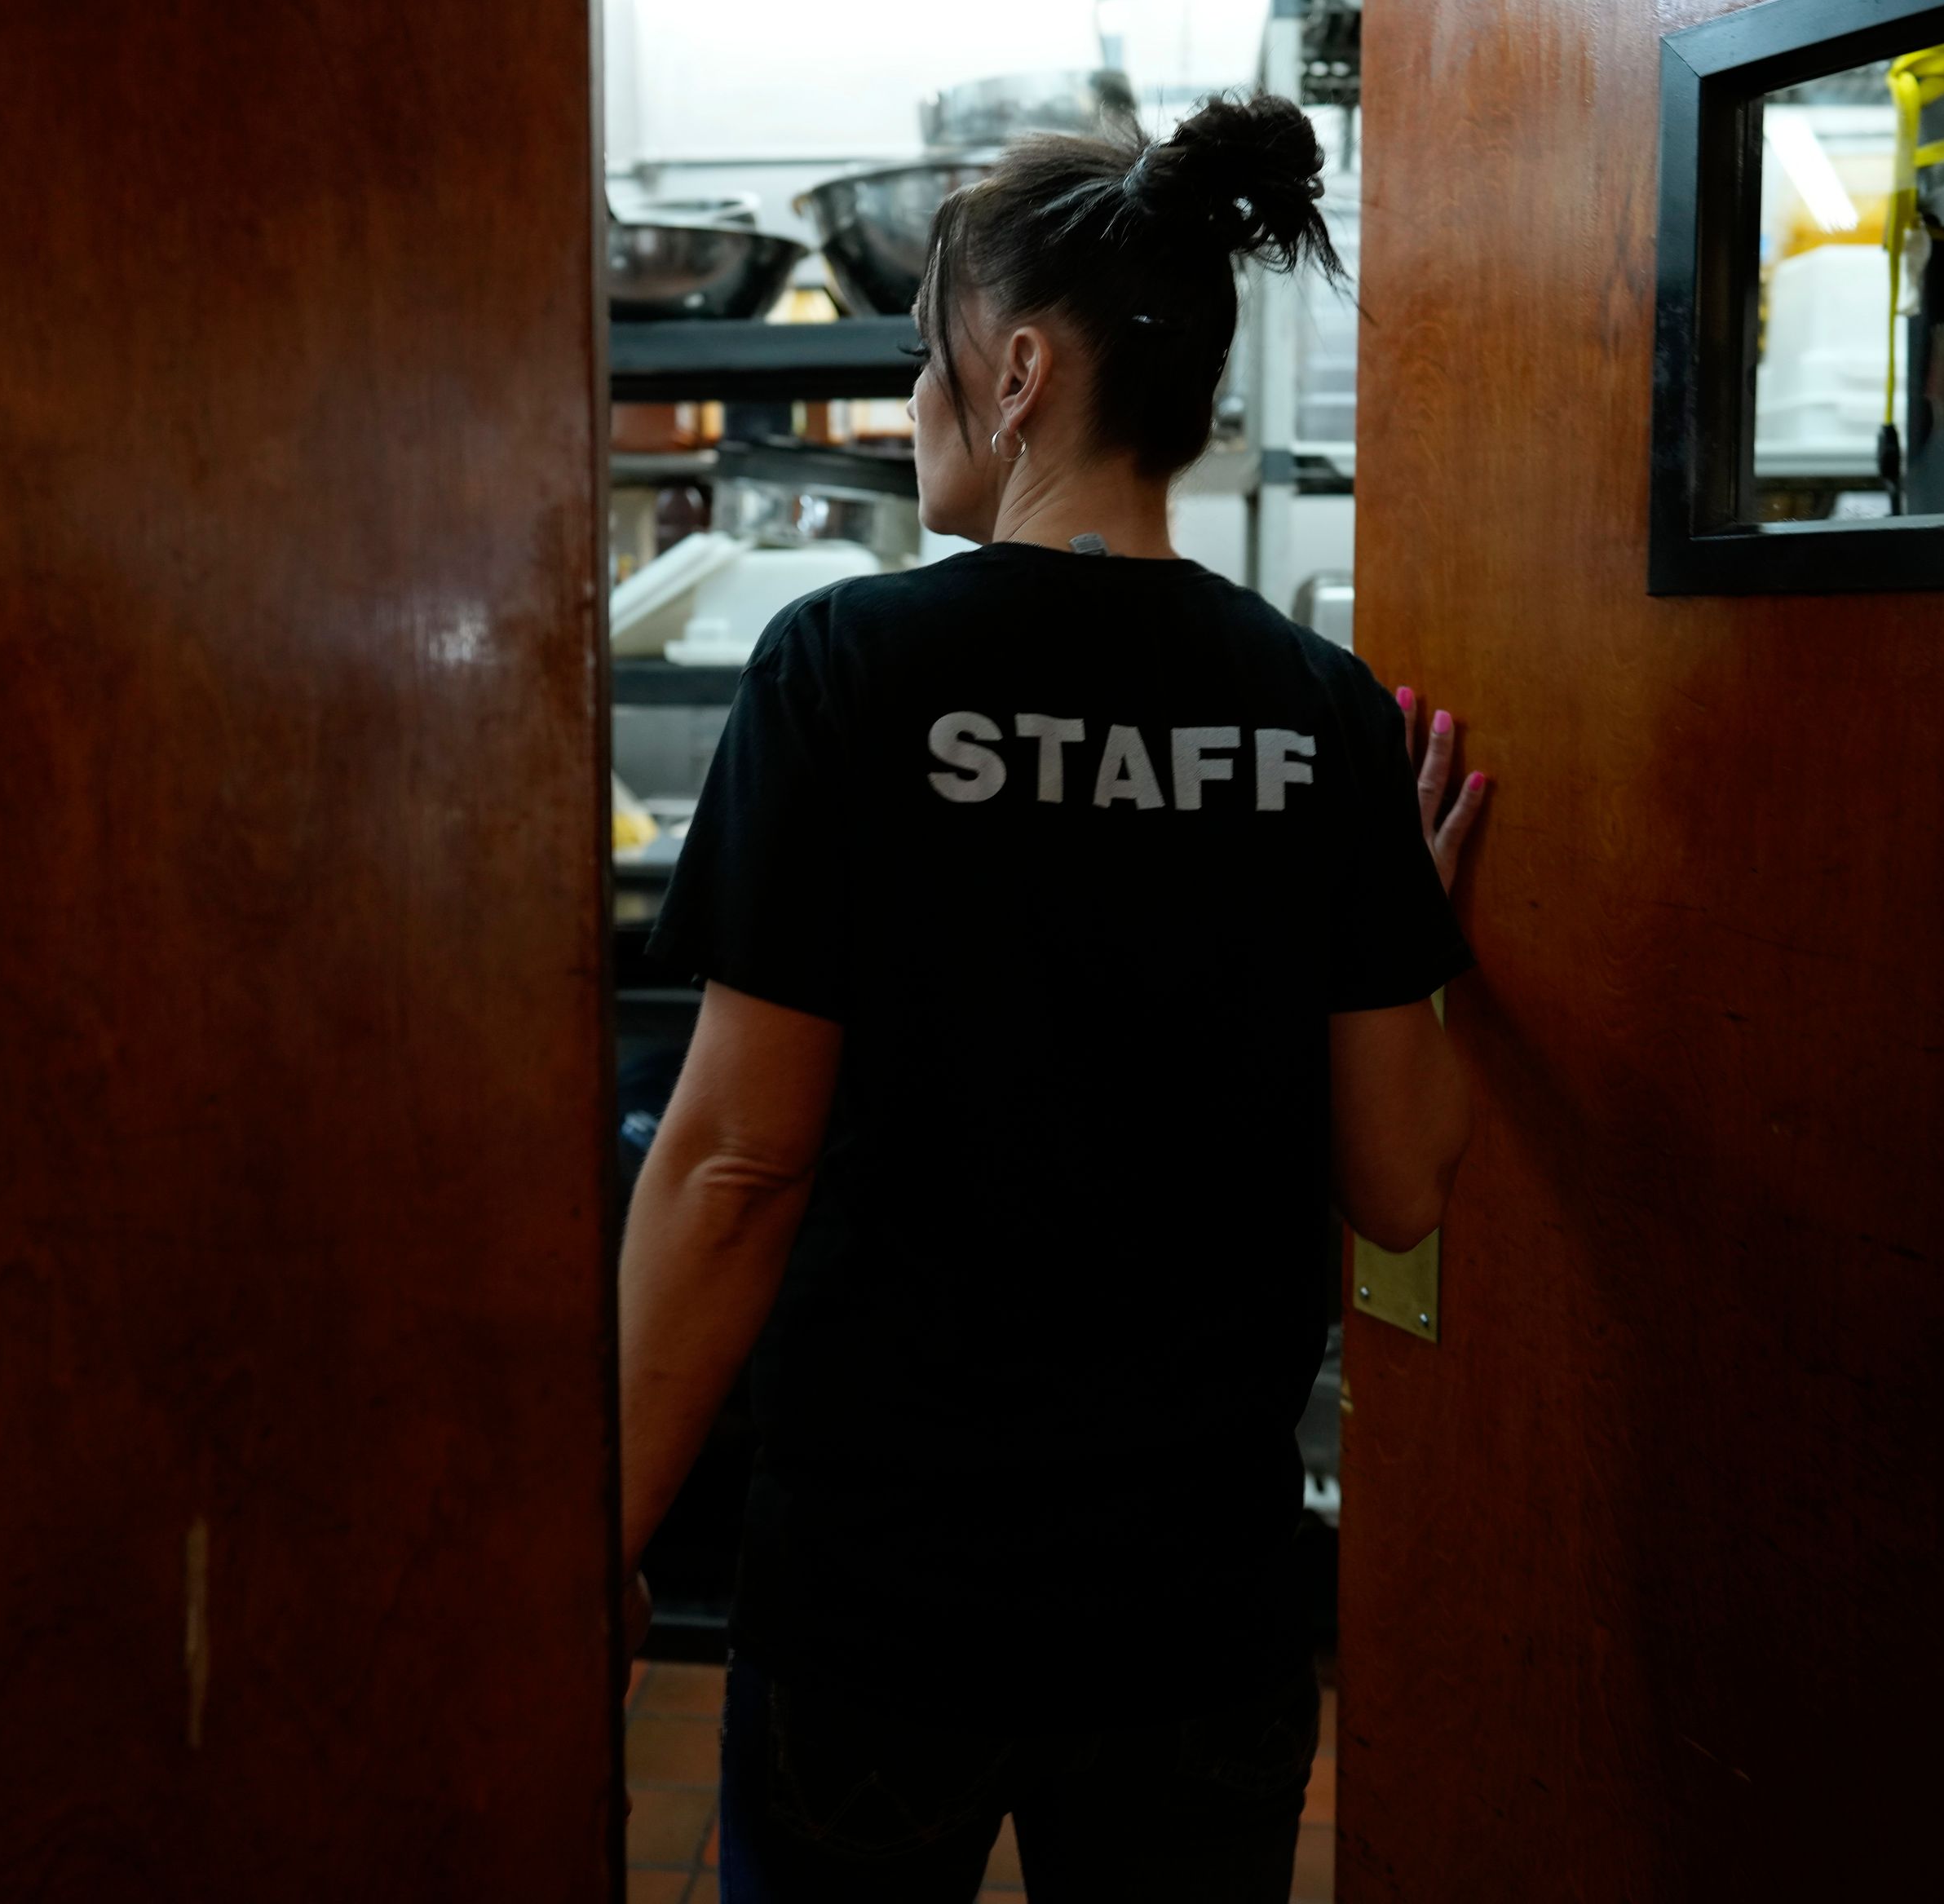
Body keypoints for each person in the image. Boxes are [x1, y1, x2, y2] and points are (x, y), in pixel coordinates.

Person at [619, 91, 1487, 1902]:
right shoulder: (1326, 716)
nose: (916, 400)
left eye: (925, 360)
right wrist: (1413, 942)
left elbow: (730, 1168)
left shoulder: (849, 666)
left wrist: (592, 1525)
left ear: (1016, 374)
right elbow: (1403, 1186)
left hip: (880, 1595)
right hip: (1197, 1607)